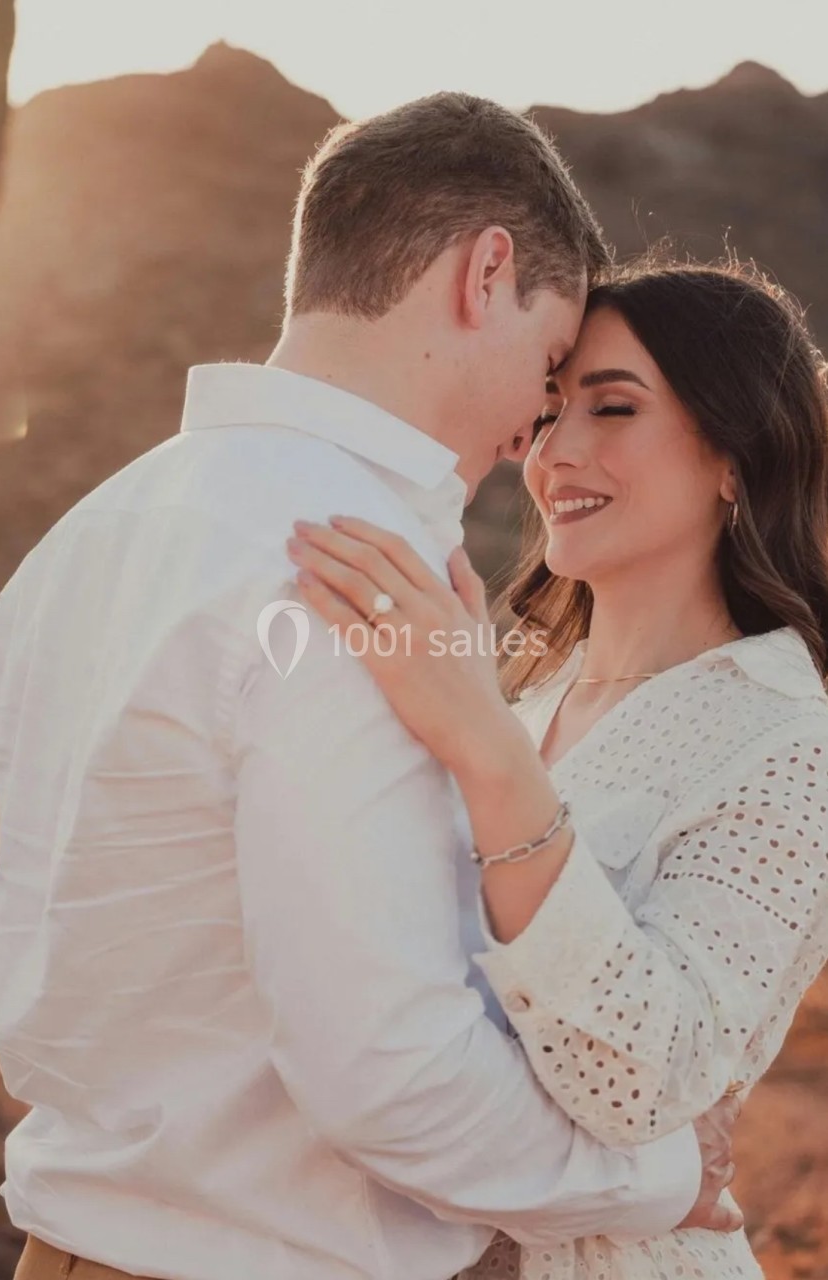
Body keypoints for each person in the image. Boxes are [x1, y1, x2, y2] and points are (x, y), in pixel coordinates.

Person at [0, 95, 738, 1280]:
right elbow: (388, 1069)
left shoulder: (91, 535)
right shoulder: (357, 575)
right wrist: (658, 1176)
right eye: (547, 368)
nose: (535, 430)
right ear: (485, 271)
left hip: (69, 1244)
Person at [286, 259, 828, 1279]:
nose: (554, 455)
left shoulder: (789, 738)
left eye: (611, 409)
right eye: (545, 417)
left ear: (734, 456)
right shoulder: (523, 694)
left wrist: (481, 749)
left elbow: (646, 1086)